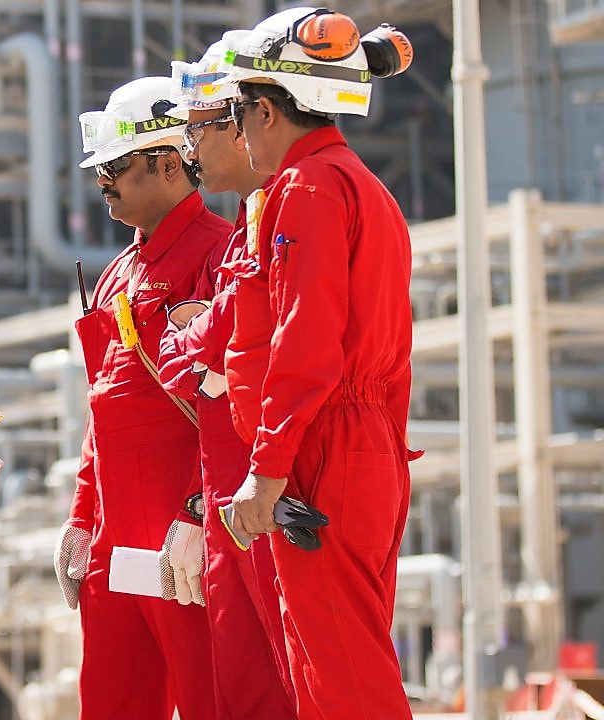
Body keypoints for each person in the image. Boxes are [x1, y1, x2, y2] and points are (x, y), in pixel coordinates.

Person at [215, 8, 417, 719]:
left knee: (343, 684)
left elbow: (305, 344)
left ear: (266, 110)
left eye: (237, 113)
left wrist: (267, 473)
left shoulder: (308, 189)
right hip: (364, 450)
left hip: (322, 452)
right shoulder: (363, 187)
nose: (237, 134)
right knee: (337, 670)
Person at [52, 76, 231, 719]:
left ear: (168, 162)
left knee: (209, 700)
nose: (104, 184)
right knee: (112, 702)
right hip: (115, 540)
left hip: (184, 534)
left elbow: (228, 411)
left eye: (116, 168)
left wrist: (196, 511)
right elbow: (104, 412)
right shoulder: (115, 275)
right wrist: (81, 518)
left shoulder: (221, 255)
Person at [156, 44, 296, 720]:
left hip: (264, 479)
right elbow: (188, 364)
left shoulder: (289, 210)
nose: (192, 149)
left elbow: (225, 350)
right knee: (245, 683)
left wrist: (198, 343)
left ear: (251, 122)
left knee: (297, 677)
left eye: (203, 128)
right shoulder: (248, 226)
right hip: (229, 486)